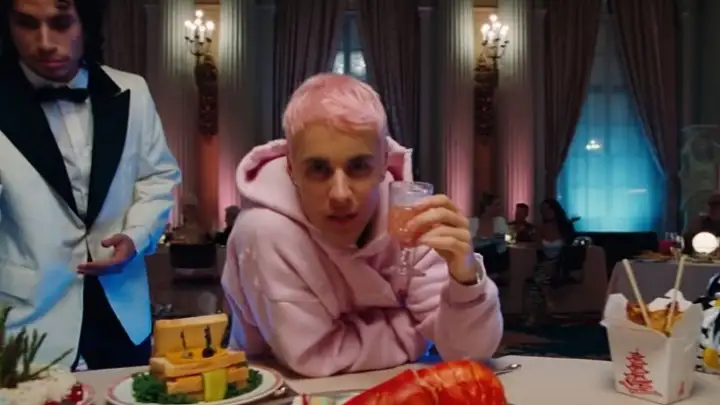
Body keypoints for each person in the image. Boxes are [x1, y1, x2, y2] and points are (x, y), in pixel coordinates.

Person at [222, 73, 502, 377]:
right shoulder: (263, 231)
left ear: (384, 163)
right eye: (318, 169)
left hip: (395, 385)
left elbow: (469, 353)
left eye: (358, 167)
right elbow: (314, 358)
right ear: (292, 169)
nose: (340, 194)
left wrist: (465, 280)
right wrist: (413, 331)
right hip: (280, 390)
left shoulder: (411, 218)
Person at [0, 0, 180, 369]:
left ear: (86, 23)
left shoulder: (132, 91)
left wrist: (136, 236)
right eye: (27, 24)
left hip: (123, 312)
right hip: (29, 317)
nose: (44, 42)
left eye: (61, 23)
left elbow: (157, 177)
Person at [524, 198, 576, 325]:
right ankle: (544, 307)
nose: (545, 212)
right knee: (537, 278)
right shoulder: (541, 228)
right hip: (545, 263)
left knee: (538, 276)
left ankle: (534, 315)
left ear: (554, 210)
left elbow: (571, 250)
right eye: (543, 210)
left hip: (561, 264)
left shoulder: (564, 227)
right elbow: (538, 248)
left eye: (548, 209)